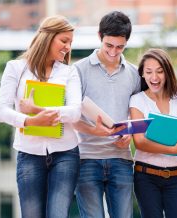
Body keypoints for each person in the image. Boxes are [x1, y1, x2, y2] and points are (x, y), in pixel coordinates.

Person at [0, 15, 82, 218]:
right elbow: (2, 111)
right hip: (29, 155)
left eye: (70, 42)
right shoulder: (15, 68)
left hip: (65, 154)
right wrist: (30, 121)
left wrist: (36, 109)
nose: (68, 47)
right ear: (47, 37)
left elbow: (75, 111)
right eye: (64, 41)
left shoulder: (70, 73)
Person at [72, 11, 140, 218]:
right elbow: (71, 117)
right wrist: (95, 130)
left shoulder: (134, 74)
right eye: (109, 45)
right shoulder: (78, 70)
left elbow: (136, 116)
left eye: (120, 47)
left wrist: (129, 133)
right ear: (99, 35)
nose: (113, 52)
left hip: (121, 159)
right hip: (86, 158)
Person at [129, 48, 177, 218]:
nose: (154, 77)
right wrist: (173, 149)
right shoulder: (137, 101)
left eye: (159, 71)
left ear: (167, 72)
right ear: (142, 73)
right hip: (146, 176)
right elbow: (140, 142)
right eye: (148, 72)